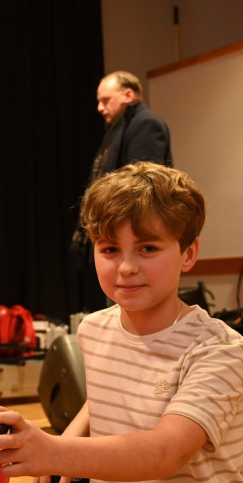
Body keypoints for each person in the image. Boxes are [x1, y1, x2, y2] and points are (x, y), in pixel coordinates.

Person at [0, 163, 243, 483]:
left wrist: (53, 451)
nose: (127, 267)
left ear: (188, 253)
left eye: (148, 248)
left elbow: (165, 451)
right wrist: (73, 432)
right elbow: (108, 393)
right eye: (110, 249)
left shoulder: (219, 350)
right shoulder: (95, 330)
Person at [69, 71, 173, 314]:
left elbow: (143, 185)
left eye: (105, 100)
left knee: (130, 313)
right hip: (118, 235)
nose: (100, 108)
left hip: (132, 235)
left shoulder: (145, 123)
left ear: (128, 95)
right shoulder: (120, 128)